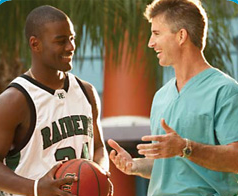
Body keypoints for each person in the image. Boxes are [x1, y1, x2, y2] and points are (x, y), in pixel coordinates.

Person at [108, 0, 238, 195]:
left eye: (156, 33)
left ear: (181, 36)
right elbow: (170, 168)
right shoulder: (161, 96)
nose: (150, 43)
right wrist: (135, 166)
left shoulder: (225, 91)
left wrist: (185, 147)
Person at [0, 5, 112, 196]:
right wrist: (36, 189)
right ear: (35, 44)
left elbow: (99, 147)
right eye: (61, 41)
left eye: (72, 38)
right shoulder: (14, 100)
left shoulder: (87, 92)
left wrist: (100, 173)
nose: (70, 47)